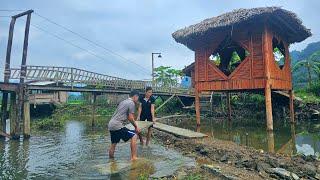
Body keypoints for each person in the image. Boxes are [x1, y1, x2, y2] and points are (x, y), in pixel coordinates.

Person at [108, 90, 141, 161]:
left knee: (113, 143)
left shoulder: (123, 101)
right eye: (137, 97)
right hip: (117, 125)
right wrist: (136, 126)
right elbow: (130, 117)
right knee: (134, 135)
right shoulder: (131, 103)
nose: (137, 99)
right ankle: (133, 157)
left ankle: (111, 160)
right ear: (135, 96)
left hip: (111, 124)